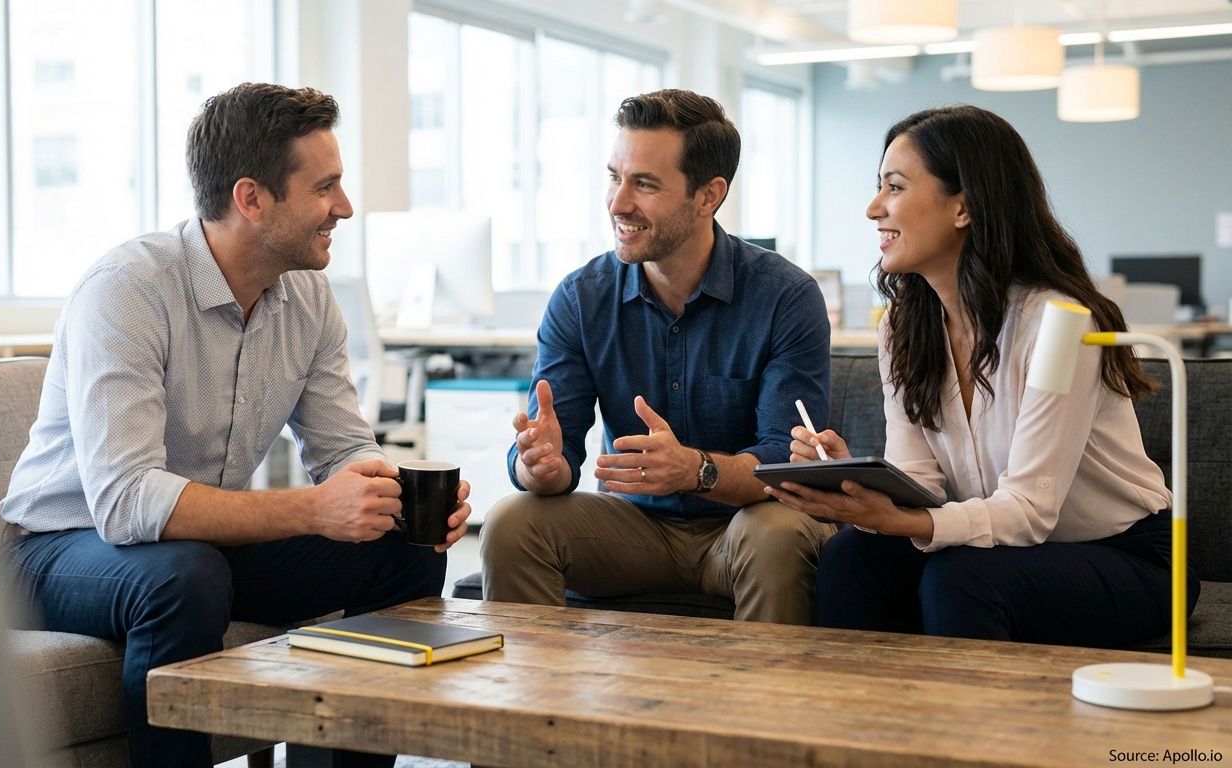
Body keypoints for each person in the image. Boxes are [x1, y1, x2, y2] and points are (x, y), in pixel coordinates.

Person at [0, 83, 470, 767]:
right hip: (60, 549)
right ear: (251, 199)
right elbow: (127, 503)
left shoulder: (309, 297)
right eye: (325, 188)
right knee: (180, 575)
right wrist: (314, 509)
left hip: (199, 550)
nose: (345, 208)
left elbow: (343, 448)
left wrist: (397, 497)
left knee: (405, 548)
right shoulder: (127, 290)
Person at [766, 105, 1197, 647]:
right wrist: (856, 479)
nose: (874, 208)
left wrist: (904, 522)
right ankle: (860, 725)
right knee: (852, 556)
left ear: (964, 207)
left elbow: (1031, 513)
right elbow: (920, 482)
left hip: (1130, 558)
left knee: (962, 579)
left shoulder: (1057, 324)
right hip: (1000, 551)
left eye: (894, 187)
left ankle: (974, 734)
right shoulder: (904, 324)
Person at [480, 89, 838, 624]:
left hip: (744, 527)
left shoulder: (785, 296)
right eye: (613, 177)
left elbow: (787, 468)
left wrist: (694, 470)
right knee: (512, 520)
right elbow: (557, 459)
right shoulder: (581, 299)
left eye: (644, 184)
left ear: (708, 195)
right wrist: (541, 467)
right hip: (630, 531)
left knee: (779, 533)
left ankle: (768, 706)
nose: (618, 202)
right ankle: (539, 704)